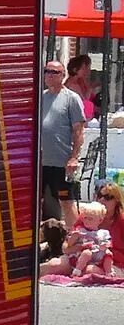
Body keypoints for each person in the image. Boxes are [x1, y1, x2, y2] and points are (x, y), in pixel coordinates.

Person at [41, 60, 88, 224]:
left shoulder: (71, 99)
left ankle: (75, 240)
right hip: (40, 162)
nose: (49, 75)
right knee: (34, 202)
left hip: (61, 163)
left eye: (54, 72)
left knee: (66, 201)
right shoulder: (40, 97)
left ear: (62, 75)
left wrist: (74, 157)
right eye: (47, 71)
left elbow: (79, 131)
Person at [68, 52, 98, 122]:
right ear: (75, 69)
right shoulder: (72, 85)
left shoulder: (82, 82)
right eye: (84, 68)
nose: (87, 71)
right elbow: (84, 103)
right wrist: (90, 89)